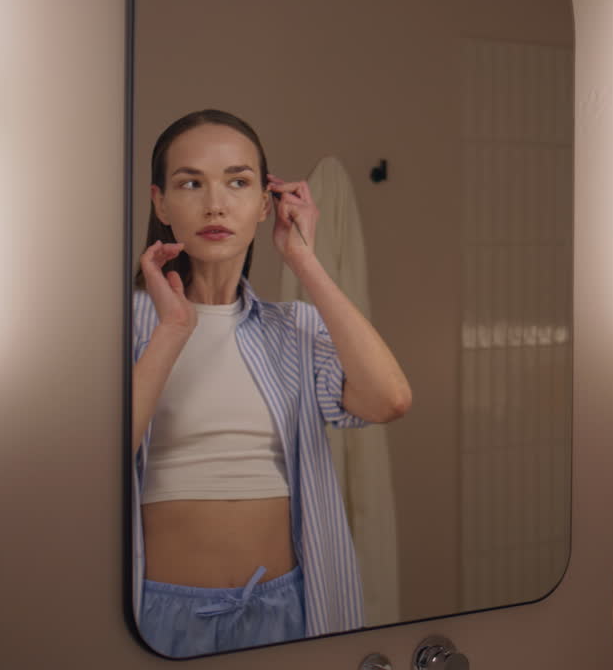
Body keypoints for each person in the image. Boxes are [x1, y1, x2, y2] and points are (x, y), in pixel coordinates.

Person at [130, 109, 411, 658]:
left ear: (265, 204)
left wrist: (303, 259)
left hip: (288, 610)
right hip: (160, 617)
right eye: (191, 183)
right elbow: (92, 464)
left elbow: (389, 399)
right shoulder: (127, 326)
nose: (216, 203)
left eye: (237, 182)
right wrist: (174, 330)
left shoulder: (295, 328)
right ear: (160, 203)